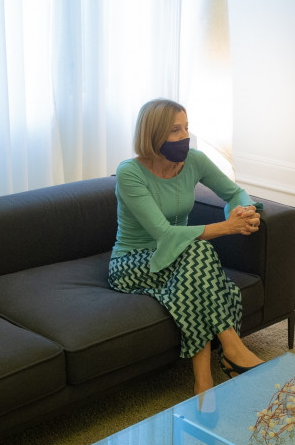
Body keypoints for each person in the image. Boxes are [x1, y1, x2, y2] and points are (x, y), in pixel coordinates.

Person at [109, 98, 265, 394]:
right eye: (174, 130)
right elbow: (165, 234)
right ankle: (232, 349)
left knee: (195, 266)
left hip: (184, 258)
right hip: (134, 262)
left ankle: (203, 383)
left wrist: (244, 211)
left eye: (186, 128)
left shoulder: (194, 161)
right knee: (201, 254)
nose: (184, 137)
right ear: (153, 135)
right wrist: (226, 227)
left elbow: (234, 192)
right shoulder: (130, 173)